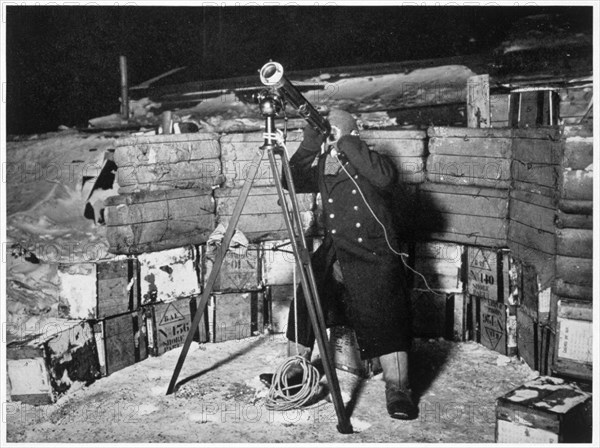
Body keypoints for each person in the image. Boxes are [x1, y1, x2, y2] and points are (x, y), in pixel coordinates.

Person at [273, 109, 417, 420]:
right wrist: (311, 142)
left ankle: (399, 388)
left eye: (330, 136)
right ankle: (296, 370)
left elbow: (385, 177)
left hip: (374, 252)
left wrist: (347, 140)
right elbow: (291, 179)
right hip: (336, 250)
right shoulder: (326, 164)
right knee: (306, 299)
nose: (329, 146)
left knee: (385, 312)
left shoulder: (370, 161)